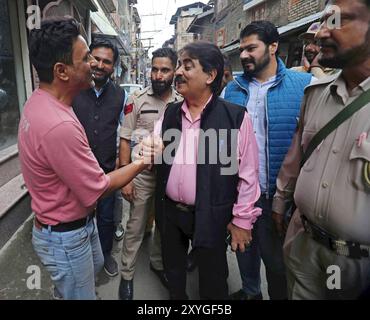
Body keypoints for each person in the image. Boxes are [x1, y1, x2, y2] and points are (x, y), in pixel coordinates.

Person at [18, 17, 159, 300]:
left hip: (73, 226)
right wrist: (144, 160)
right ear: (62, 71)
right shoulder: (58, 125)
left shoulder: (42, 101)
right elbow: (98, 188)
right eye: (86, 59)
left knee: (88, 273)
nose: (94, 65)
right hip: (66, 236)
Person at [272, 0, 370, 299]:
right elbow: (296, 156)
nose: (320, 34)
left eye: (337, 21)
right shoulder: (316, 93)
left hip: (360, 266)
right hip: (304, 246)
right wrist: (280, 201)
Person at [154, 41, 261, 300]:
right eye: (179, 65)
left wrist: (242, 220)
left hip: (211, 216)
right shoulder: (170, 113)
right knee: (175, 275)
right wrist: (143, 149)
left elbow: (248, 175)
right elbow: (152, 147)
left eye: (187, 66)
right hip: (170, 215)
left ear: (210, 75)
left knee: (213, 280)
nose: (178, 72)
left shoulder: (233, 117)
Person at [223, 20, 313, 300]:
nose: (245, 55)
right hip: (243, 197)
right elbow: (225, 145)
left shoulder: (305, 86)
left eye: (252, 48)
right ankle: (251, 292)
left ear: (273, 46)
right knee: (244, 253)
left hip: (283, 198)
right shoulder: (233, 90)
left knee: (278, 265)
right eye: (242, 49)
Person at [118, 48, 182, 300]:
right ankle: (127, 275)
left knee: (164, 227)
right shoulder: (137, 99)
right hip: (142, 175)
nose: (157, 75)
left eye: (164, 70)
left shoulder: (181, 101)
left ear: (174, 71)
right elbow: (125, 140)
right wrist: (127, 179)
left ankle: (157, 264)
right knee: (135, 226)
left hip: (169, 177)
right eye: (154, 69)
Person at [73, 40, 125, 277]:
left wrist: (119, 164)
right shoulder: (73, 88)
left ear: (114, 67)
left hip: (106, 173)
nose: (100, 65)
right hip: (75, 172)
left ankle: (105, 255)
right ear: (88, 59)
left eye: (107, 62)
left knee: (106, 219)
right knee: (77, 221)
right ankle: (77, 266)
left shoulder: (121, 95)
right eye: (96, 59)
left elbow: (123, 132)